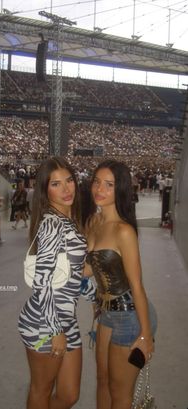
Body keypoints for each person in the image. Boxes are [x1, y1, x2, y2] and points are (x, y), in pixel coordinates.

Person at [18, 157, 95, 409]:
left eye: (69, 180)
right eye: (56, 184)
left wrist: (95, 295)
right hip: (44, 324)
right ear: (45, 190)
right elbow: (42, 283)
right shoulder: (52, 223)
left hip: (66, 320)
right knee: (41, 391)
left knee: (69, 395)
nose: (66, 189)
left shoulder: (69, 220)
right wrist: (55, 331)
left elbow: (74, 274)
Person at [84, 159, 157, 409]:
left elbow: (137, 285)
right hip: (105, 314)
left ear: (120, 190)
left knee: (120, 393)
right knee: (102, 380)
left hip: (130, 315)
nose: (99, 189)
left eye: (108, 185)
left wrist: (146, 335)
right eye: (96, 182)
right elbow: (87, 270)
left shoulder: (124, 231)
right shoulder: (93, 223)